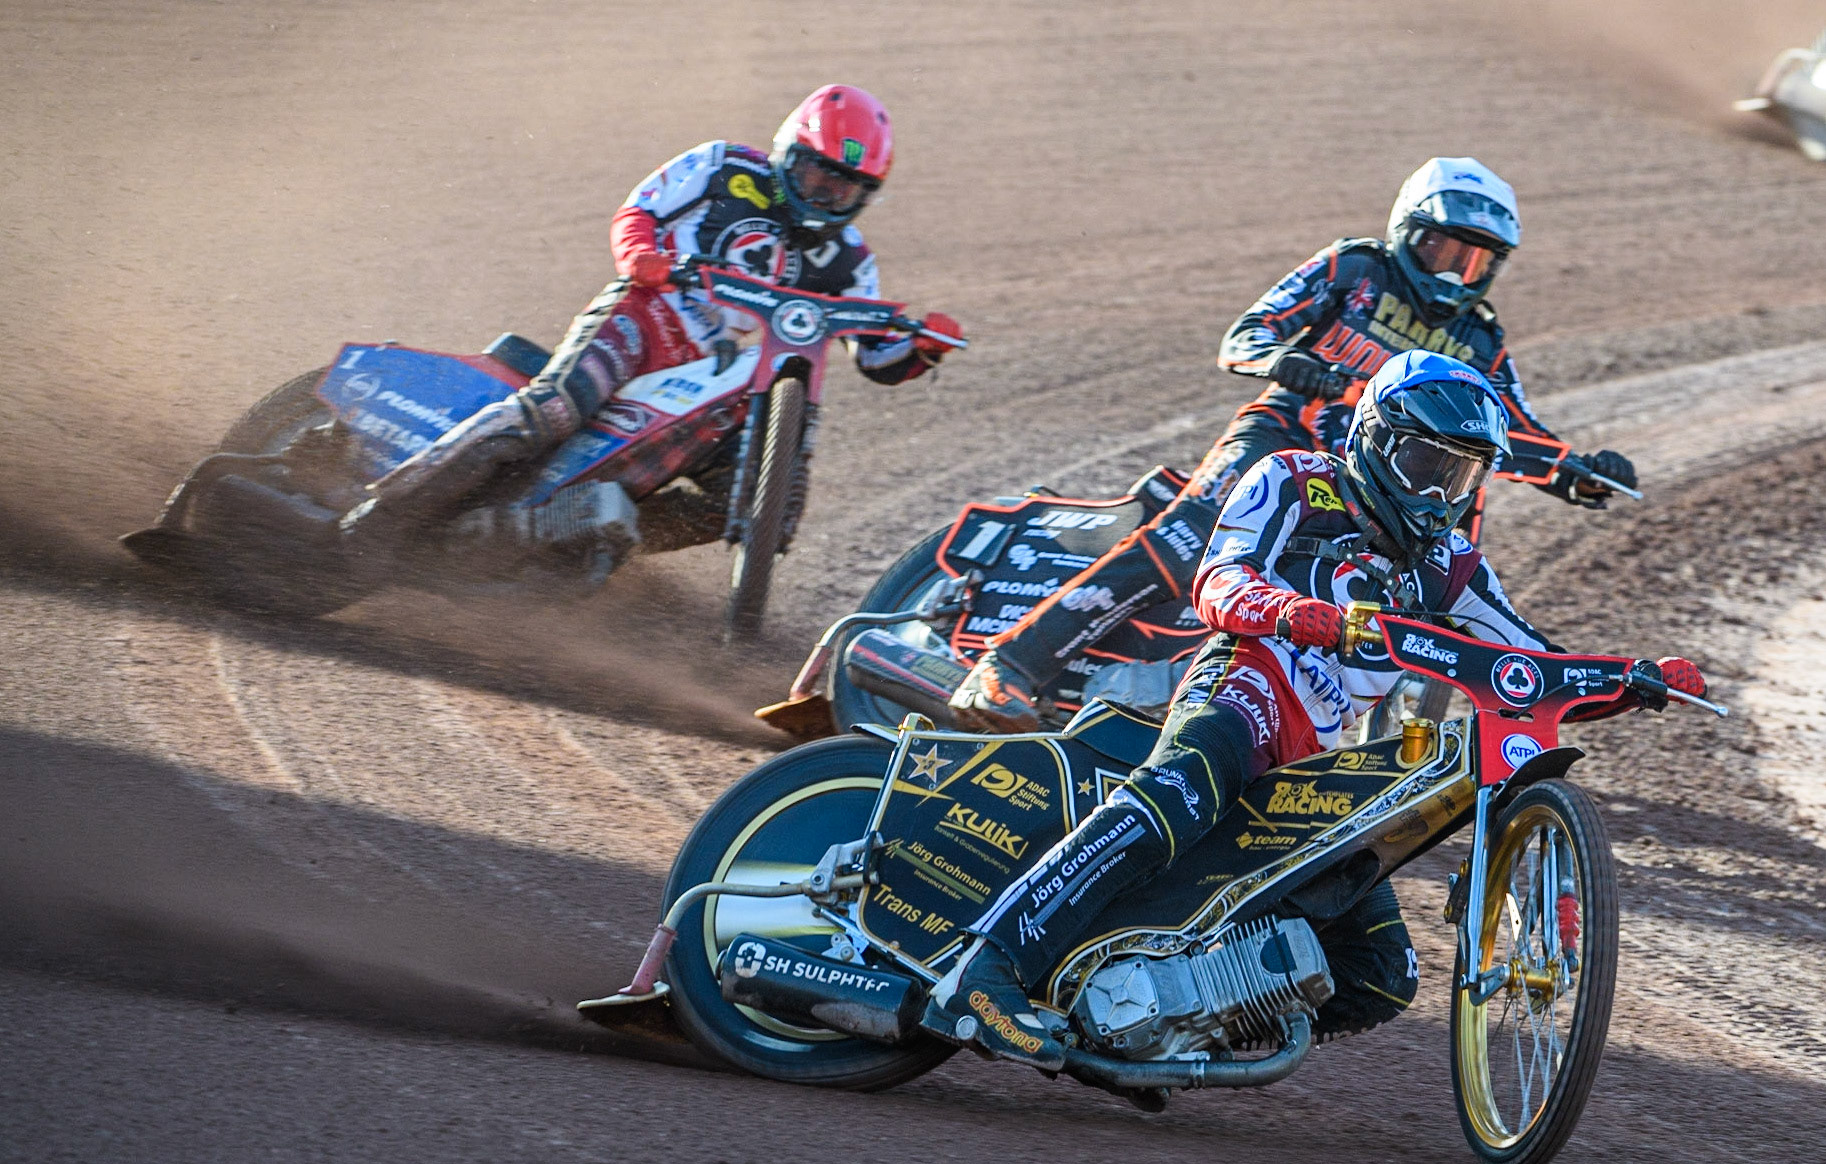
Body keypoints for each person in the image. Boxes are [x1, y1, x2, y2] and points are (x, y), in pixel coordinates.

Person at [921, 350, 1705, 1069]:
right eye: (1426, 465)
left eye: (1461, 476)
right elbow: (1218, 581)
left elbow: (1531, 668)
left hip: (1320, 762)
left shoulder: (1453, 564)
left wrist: (1630, 681)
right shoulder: (1296, 480)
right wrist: (1299, 614)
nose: (1439, 495)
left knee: (1382, 974)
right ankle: (983, 970)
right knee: (1179, 792)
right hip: (1247, 681)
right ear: (1375, 439)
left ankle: (1170, 1031)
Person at [948, 157, 1633, 732]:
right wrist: (1284, 361)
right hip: (1284, 434)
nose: (1456, 273)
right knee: (1188, 539)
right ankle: (1008, 665)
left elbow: (1511, 426)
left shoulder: (1481, 337)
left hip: (1381, 486)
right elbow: (1246, 334)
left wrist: (1575, 469)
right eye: (1443, 251)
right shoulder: (1352, 268)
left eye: (1476, 260)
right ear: (1407, 232)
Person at [341, 84, 963, 536]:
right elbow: (640, 210)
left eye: (843, 188)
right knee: (553, 410)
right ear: (786, 153)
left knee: (759, 504)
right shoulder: (722, 166)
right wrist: (640, 256)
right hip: (645, 318)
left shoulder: (851, 261)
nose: (824, 195)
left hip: (712, 376)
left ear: (865, 195)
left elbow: (877, 357)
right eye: (815, 176)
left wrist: (922, 348)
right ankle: (380, 515)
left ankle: (588, 536)